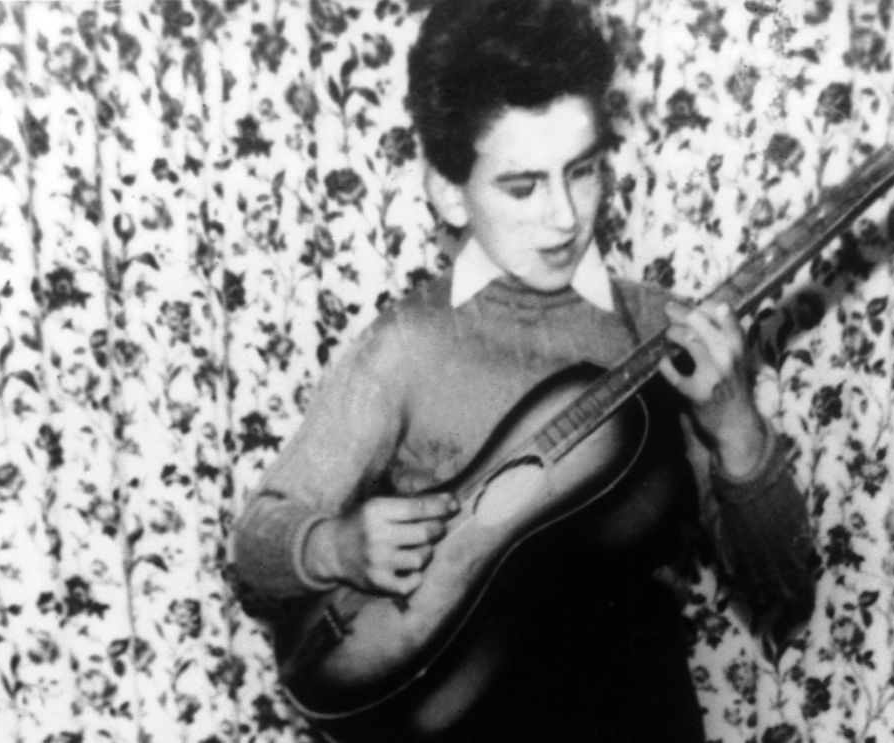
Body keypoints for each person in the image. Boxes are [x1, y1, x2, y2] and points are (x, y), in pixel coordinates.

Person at [230, 1, 817, 740]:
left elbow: (784, 584)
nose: (565, 217)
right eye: (522, 185)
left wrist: (735, 427)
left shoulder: (662, 328)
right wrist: (335, 545)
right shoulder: (409, 344)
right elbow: (256, 541)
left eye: (582, 171)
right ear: (448, 189)